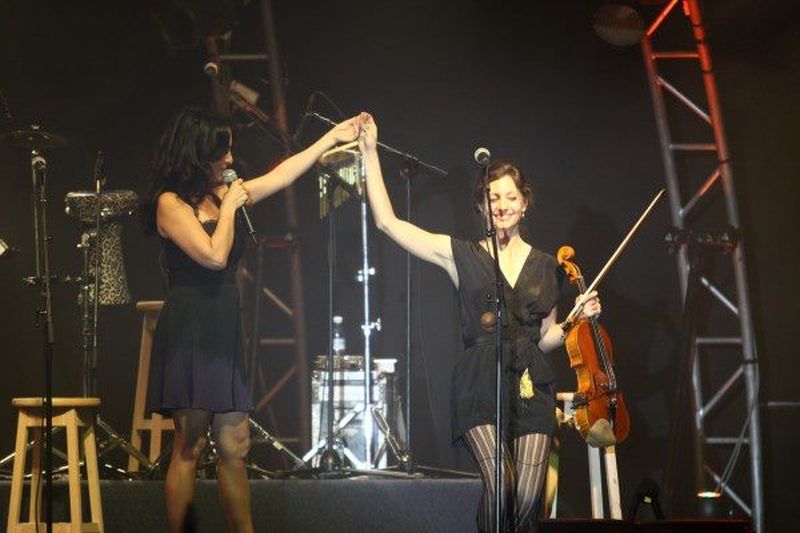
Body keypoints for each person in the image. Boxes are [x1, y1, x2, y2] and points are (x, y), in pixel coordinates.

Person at [358, 113, 601, 532]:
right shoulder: (461, 255)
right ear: (482, 207)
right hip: (479, 384)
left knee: (528, 499)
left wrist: (577, 321)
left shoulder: (548, 266)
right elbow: (388, 223)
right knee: (501, 485)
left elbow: (546, 338)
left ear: (524, 203)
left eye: (510, 197)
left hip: (531, 386)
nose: (502, 206)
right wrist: (368, 152)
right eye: (493, 198)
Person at [142, 106, 361, 533]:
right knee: (191, 442)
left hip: (225, 326)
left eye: (230, 149)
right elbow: (213, 256)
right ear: (196, 153)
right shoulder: (171, 203)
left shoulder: (226, 193)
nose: (230, 159)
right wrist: (228, 209)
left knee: (236, 444)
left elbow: (282, 176)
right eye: (221, 151)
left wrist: (330, 138)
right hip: (191, 327)